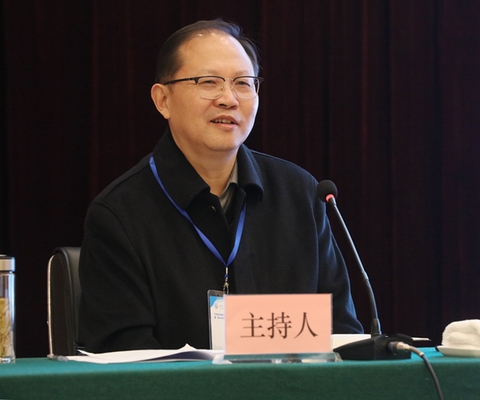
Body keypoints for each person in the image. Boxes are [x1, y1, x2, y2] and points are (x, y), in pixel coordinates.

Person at [78, 19, 363, 353]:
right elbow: (124, 355)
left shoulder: (301, 194)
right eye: (209, 82)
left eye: (243, 83)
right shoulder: (119, 214)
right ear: (162, 100)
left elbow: (342, 334)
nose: (229, 99)